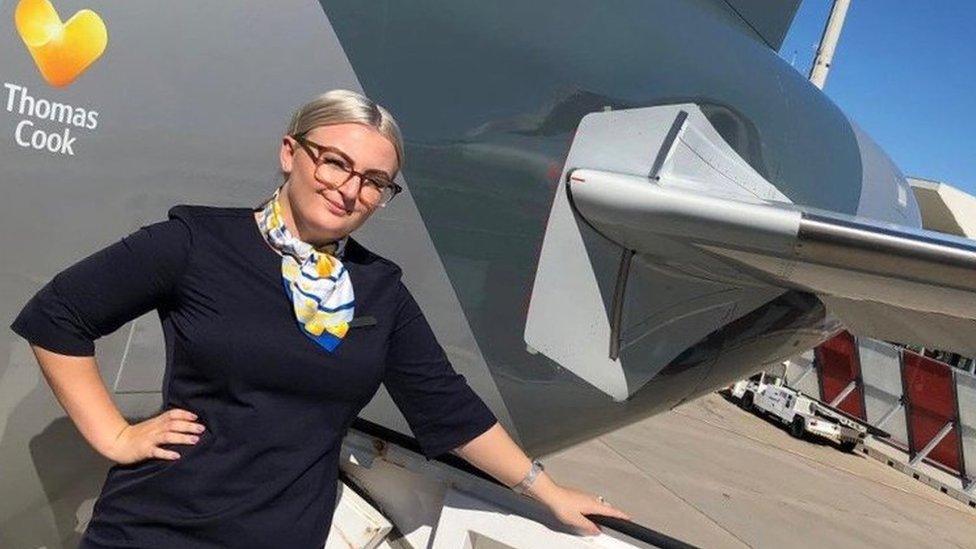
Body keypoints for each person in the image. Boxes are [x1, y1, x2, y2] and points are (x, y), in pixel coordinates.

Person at [10, 89, 631, 548]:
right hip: (157, 530)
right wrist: (115, 434)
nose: (349, 189)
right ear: (291, 153)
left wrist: (547, 494)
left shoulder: (378, 290)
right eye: (335, 162)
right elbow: (57, 317)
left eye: (374, 182)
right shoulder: (197, 242)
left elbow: (447, 407)